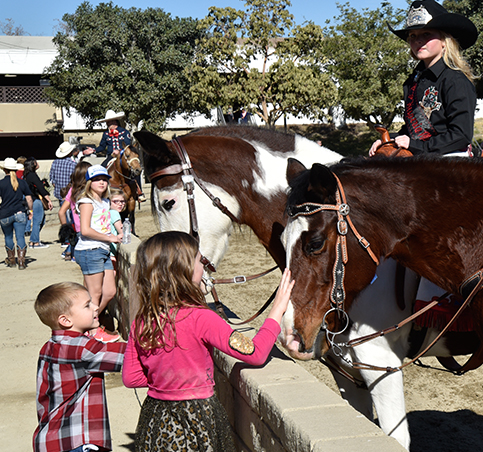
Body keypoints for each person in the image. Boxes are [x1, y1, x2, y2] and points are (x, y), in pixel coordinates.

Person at [123, 231, 295, 452]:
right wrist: (277, 311)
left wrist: (167, 381)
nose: (203, 266)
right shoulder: (201, 318)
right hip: (198, 419)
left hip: (155, 419)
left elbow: (131, 377)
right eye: (198, 260)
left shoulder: (143, 320)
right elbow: (255, 353)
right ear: (183, 271)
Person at [368, 0, 478, 157]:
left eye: (426, 34)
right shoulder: (413, 81)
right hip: (421, 159)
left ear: (444, 41)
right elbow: (413, 130)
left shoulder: (456, 80)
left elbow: (461, 136)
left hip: (451, 161)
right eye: (412, 35)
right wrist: (388, 140)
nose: (418, 40)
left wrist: (414, 146)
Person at [33, 282, 126, 452]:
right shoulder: (82, 348)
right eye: (87, 305)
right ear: (65, 320)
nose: (95, 307)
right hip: (77, 441)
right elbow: (129, 356)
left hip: (51, 439)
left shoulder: (49, 346)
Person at [73, 165, 122, 343]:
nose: (101, 182)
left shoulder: (106, 202)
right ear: (89, 182)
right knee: (94, 294)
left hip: (102, 249)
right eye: (96, 179)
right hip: (89, 250)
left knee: (109, 291)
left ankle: (85, 323)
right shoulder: (86, 201)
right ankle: (92, 329)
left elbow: (107, 221)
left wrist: (118, 232)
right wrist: (109, 237)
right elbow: (85, 230)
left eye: (104, 179)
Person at [1, 157, 33, 269]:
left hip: (5, 213)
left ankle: (11, 260)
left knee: (8, 237)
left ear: (4, 170)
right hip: (20, 212)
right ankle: (21, 261)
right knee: (20, 237)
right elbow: (29, 199)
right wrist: (31, 211)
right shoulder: (22, 183)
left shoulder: (1, 183)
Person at [58, 162, 92, 262]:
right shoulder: (90, 190)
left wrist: (66, 229)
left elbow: (61, 212)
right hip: (92, 228)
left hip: (78, 229)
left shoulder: (73, 190)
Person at [23, 158, 52, 249]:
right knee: (38, 221)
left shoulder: (27, 175)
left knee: (40, 220)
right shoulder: (32, 175)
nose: (38, 163)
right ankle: (35, 242)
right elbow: (41, 188)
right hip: (35, 199)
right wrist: (48, 200)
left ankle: (33, 240)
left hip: (30, 199)